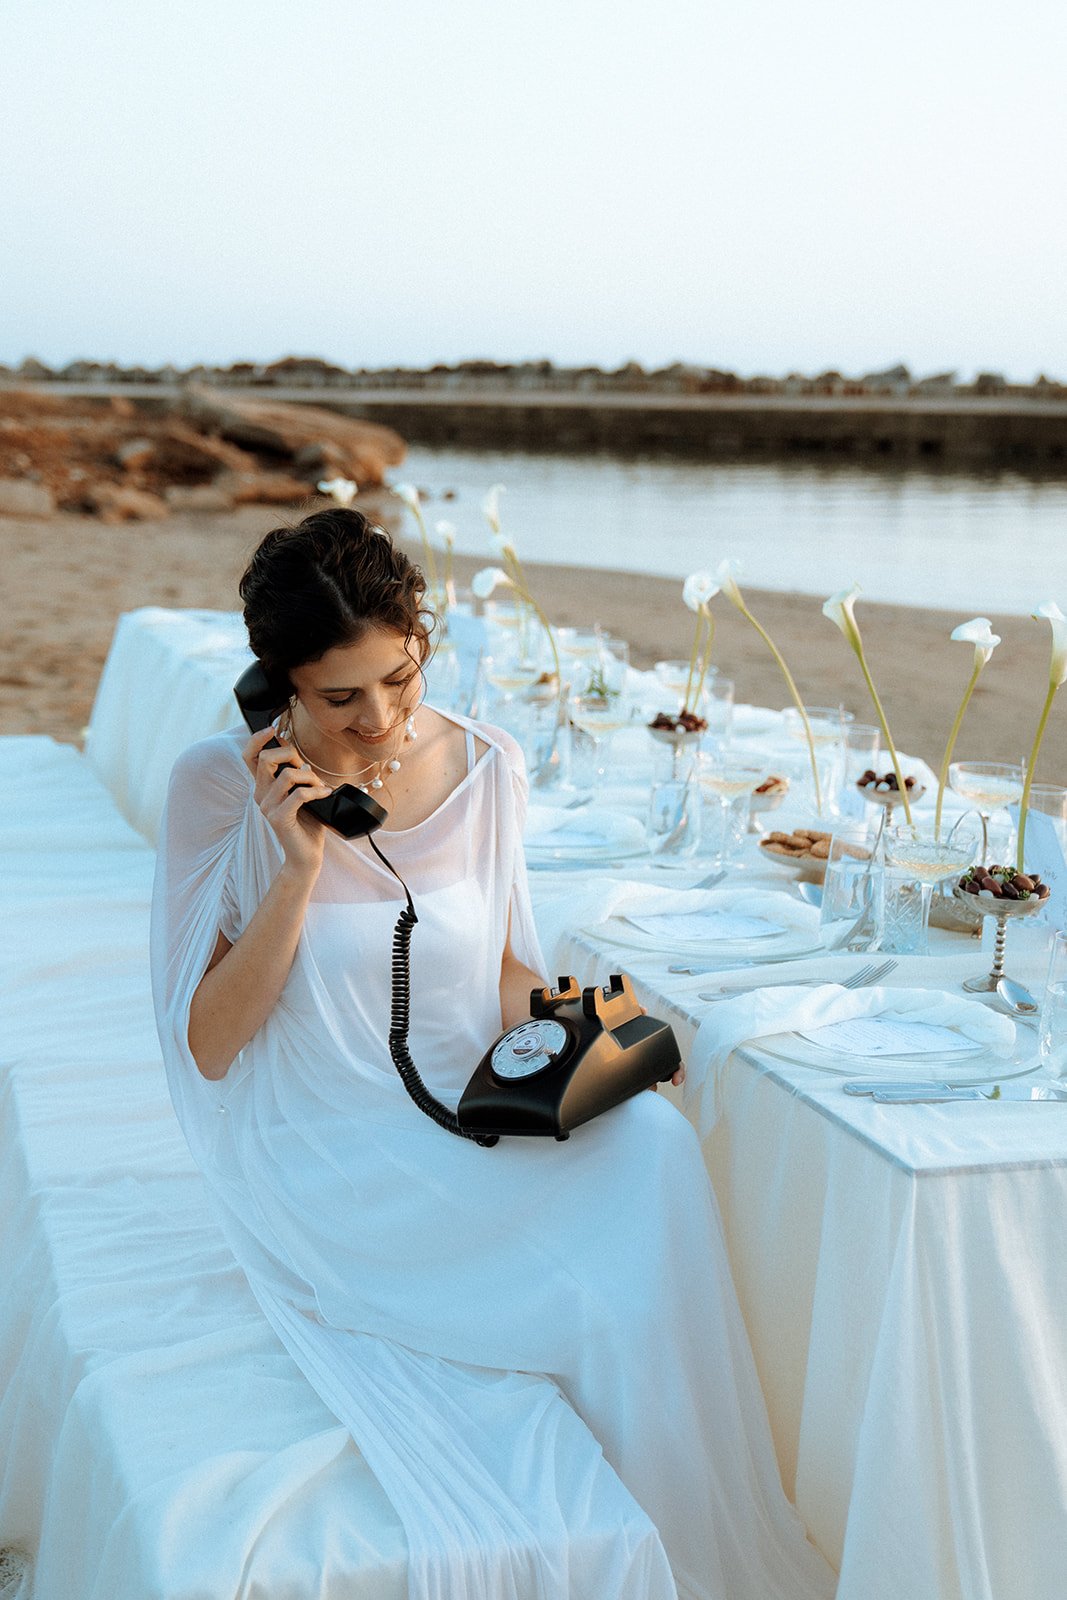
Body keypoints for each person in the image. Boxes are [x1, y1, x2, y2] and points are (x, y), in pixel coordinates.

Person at [150, 508, 835, 1600]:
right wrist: (297, 868)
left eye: (402, 679)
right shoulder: (217, 789)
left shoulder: (486, 762)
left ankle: (681, 1537)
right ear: (276, 684)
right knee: (588, 1271)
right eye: (340, 697)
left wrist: (598, 1030)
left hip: (466, 1097)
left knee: (652, 1149)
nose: (380, 721)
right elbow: (211, 1045)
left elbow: (503, 967)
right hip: (324, 1143)